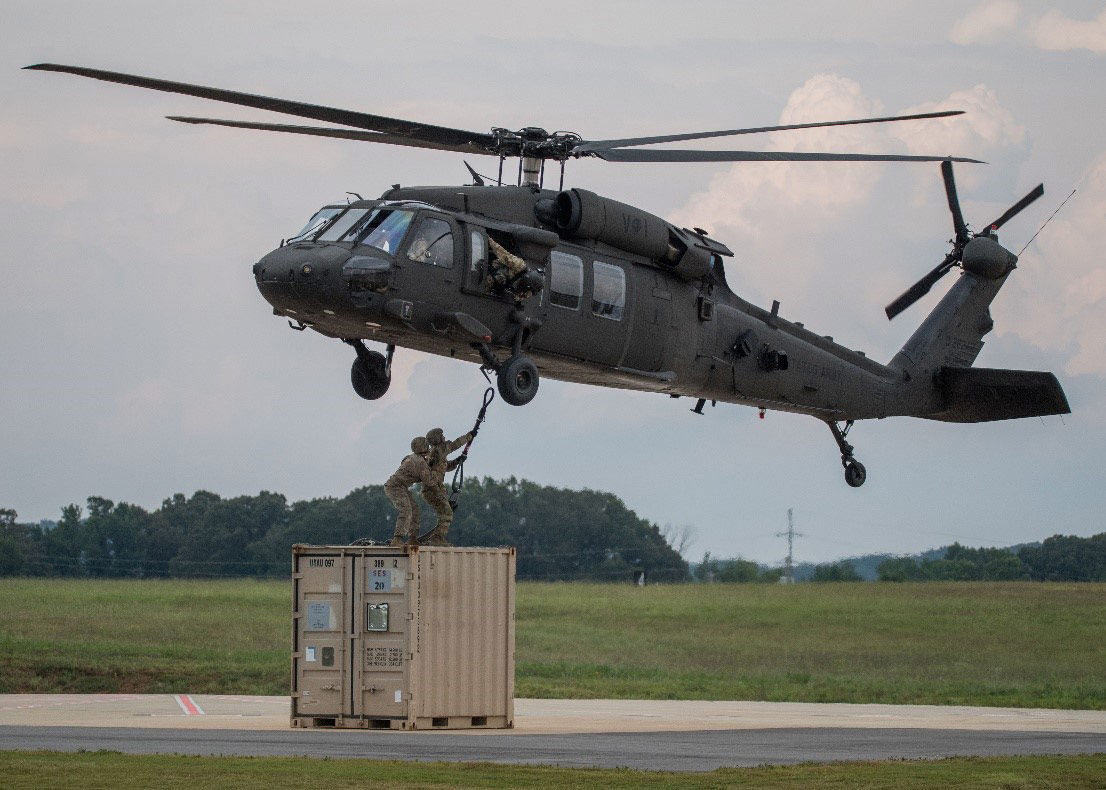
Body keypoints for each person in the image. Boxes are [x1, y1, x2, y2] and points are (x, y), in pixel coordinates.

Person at [421, 427, 474, 546]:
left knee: (445, 512)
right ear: (437, 439)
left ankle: (437, 537)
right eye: (442, 436)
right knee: (447, 513)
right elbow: (454, 445)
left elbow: (444, 467)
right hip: (433, 489)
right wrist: (469, 436)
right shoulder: (439, 450)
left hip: (433, 490)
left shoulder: (436, 452)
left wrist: (457, 461)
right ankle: (437, 539)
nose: (444, 438)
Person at [384, 436, 436, 546]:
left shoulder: (412, 457)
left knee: (414, 509)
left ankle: (412, 538)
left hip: (399, 486)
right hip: (395, 487)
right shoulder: (420, 462)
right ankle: (397, 539)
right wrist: (435, 472)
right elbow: (429, 482)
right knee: (406, 510)